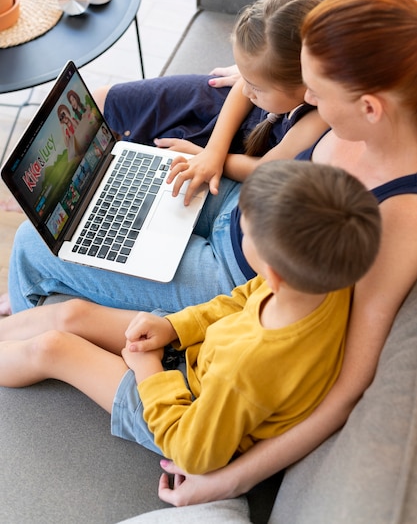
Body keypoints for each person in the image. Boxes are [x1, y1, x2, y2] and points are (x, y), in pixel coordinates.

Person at [153, 0, 417, 506]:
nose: (307, 101)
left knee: (38, 248)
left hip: (242, 282)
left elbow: (348, 386)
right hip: (248, 213)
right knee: (123, 183)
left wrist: (232, 480)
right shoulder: (375, 89)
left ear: (369, 106)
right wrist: (252, 84)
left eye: (316, 91)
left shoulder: (401, 217)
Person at [0, 160, 381, 476]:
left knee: (55, 347)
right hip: (197, 354)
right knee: (73, 314)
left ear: (273, 273)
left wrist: (150, 370)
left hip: (181, 409)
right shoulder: (323, 283)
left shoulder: (246, 370)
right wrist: (173, 326)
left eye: (243, 229)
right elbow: (240, 299)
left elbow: (191, 450)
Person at [4, 0, 329, 315]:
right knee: (137, 172)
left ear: (307, 85)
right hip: (234, 206)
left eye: (257, 86)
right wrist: (212, 152)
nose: (246, 86)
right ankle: (35, 282)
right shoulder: (317, 81)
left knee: (30, 244)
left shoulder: (319, 118)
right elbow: (243, 87)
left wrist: (218, 157)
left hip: (230, 271)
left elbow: (270, 169)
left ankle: (28, 294)